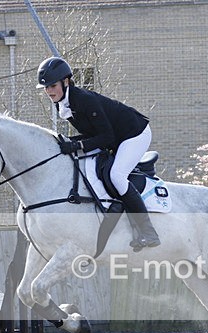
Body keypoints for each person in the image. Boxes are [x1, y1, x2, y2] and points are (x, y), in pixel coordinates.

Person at [36, 56, 160, 251]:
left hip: (135, 133)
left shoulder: (84, 100)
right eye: (46, 87)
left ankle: (148, 232)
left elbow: (107, 138)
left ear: (66, 81)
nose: (48, 91)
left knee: (116, 176)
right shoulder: (64, 103)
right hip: (117, 136)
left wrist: (76, 146)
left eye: (52, 86)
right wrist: (71, 142)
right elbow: (92, 134)